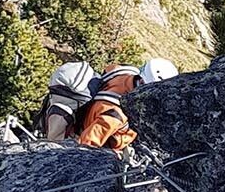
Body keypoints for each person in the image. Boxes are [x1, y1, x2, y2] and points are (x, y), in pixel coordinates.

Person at [38, 59, 179, 153]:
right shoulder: (117, 113)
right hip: (102, 141)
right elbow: (87, 144)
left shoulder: (124, 72)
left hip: (89, 117)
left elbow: (109, 69)